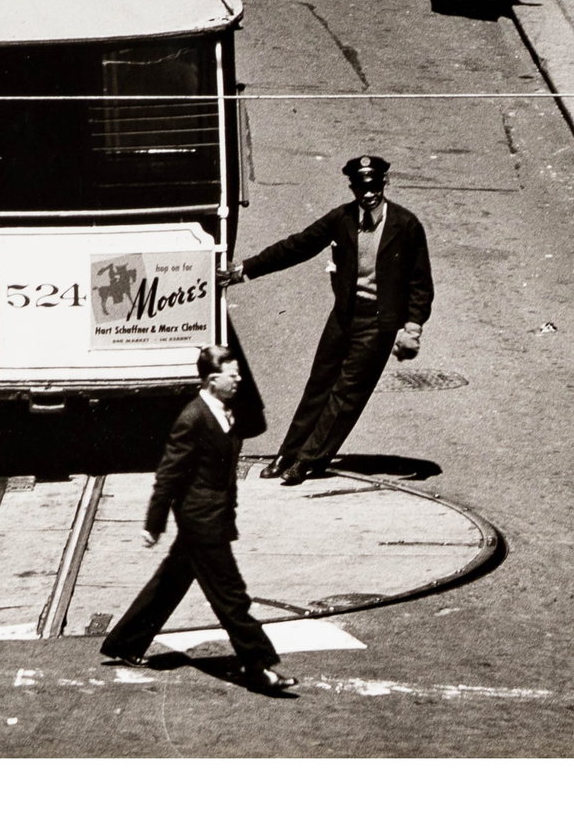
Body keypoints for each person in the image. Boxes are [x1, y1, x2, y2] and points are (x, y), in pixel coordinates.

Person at [217, 156, 432, 487]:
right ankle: (288, 454)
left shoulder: (406, 225)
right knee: (318, 385)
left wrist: (412, 328)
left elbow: (420, 283)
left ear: (384, 184)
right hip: (344, 315)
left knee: (346, 393)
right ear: (353, 188)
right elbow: (297, 246)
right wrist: (245, 269)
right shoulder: (342, 219)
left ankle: (309, 460)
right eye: (362, 188)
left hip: (379, 321)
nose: (369, 195)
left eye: (374, 187)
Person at [99, 344, 296, 694]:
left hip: (213, 516)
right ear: (210, 380)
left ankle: (125, 642)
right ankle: (259, 666)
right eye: (232, 375)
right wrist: (154, 524)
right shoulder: (193, 418)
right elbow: (168, 475)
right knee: (231, 596)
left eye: (238, 374)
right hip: (200, 521)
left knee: (172, 581)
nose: (238, 380)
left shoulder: (225, 410)